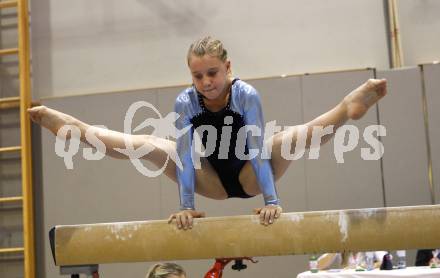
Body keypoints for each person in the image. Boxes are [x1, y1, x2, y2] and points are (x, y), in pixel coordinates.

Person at [28, 36, 387, 230]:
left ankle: (346, 108)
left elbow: (259, 149)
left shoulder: (246, 95)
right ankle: (80, 131)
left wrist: (271, 201)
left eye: (213, 73)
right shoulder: (186, 102)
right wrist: (187, 207)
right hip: (210, 181)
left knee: (289, 139)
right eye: (198, 76)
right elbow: (185, 157)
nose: (206, 82)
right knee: (153, 146)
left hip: (251, 176)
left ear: (228, 67)